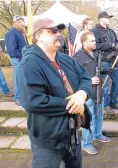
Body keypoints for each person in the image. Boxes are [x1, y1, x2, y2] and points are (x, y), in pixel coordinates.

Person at [17, 17, 92, 168]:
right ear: (38, 36)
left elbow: (85, 77)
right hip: (48, 139)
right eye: (52, 31)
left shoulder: (64, 58)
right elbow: (33, 101)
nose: (58, 34)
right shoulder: (29, 64)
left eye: (59, 30)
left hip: (72, 132)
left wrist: (82, 94)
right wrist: (74, 104)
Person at [74, 32, 110, 155]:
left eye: (95, 40)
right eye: (92, 41)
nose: (95, 42)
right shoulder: (77, 57)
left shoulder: (97, 54)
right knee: (88, 119)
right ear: (84, 43)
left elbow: (100, 69)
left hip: (99, 90)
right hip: (87, 93)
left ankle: (97, 134)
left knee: (99, 115)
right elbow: (73, 77)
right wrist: (89, 80)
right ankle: (87, 143)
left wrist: (107, 68)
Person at [92, 11, 118, 112]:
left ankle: (113, 102)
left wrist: (117, 45)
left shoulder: (111, 31)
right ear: (101, 19)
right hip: (103, 61)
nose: (109, 19)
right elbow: (94, 46)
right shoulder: (94, 31)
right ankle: (105, 105)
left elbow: (117, 41)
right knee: (104, 85)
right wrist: (109, 45)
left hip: (114, 60)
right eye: (107, 18)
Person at [5, 16, 27, 106]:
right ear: (16, 23)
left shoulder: (21, 32)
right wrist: (21, 55)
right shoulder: (11, 33)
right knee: (18, 78)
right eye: (21, 24)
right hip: (17, 58)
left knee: (22, 78)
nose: (23, 26)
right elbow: (11, 49)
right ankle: (17, 98)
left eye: (23, 25)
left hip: (22, 57)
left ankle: (21, 96)